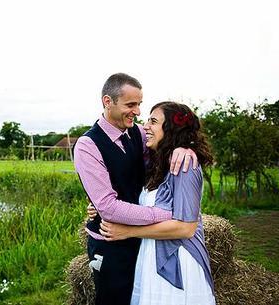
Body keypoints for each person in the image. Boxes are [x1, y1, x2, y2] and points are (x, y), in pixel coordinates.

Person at [73, 73, 197, 305]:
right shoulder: (87, 146)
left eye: (139, 104)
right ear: (107, 102)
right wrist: (168, 215)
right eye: (131, 104)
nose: (138, 112)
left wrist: (185, 147)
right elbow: (108, 208)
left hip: (144, 238)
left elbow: (167, 144)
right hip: (111, 240)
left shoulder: (137, 133)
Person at [96, 102, 216, 304]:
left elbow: (186, 228)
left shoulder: (186, 166)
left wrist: (127, 231)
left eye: (153, 121)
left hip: (178, 260)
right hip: (151, 254)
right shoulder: (157, 164)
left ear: (171, 129)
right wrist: (101, 206)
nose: (145, 126)